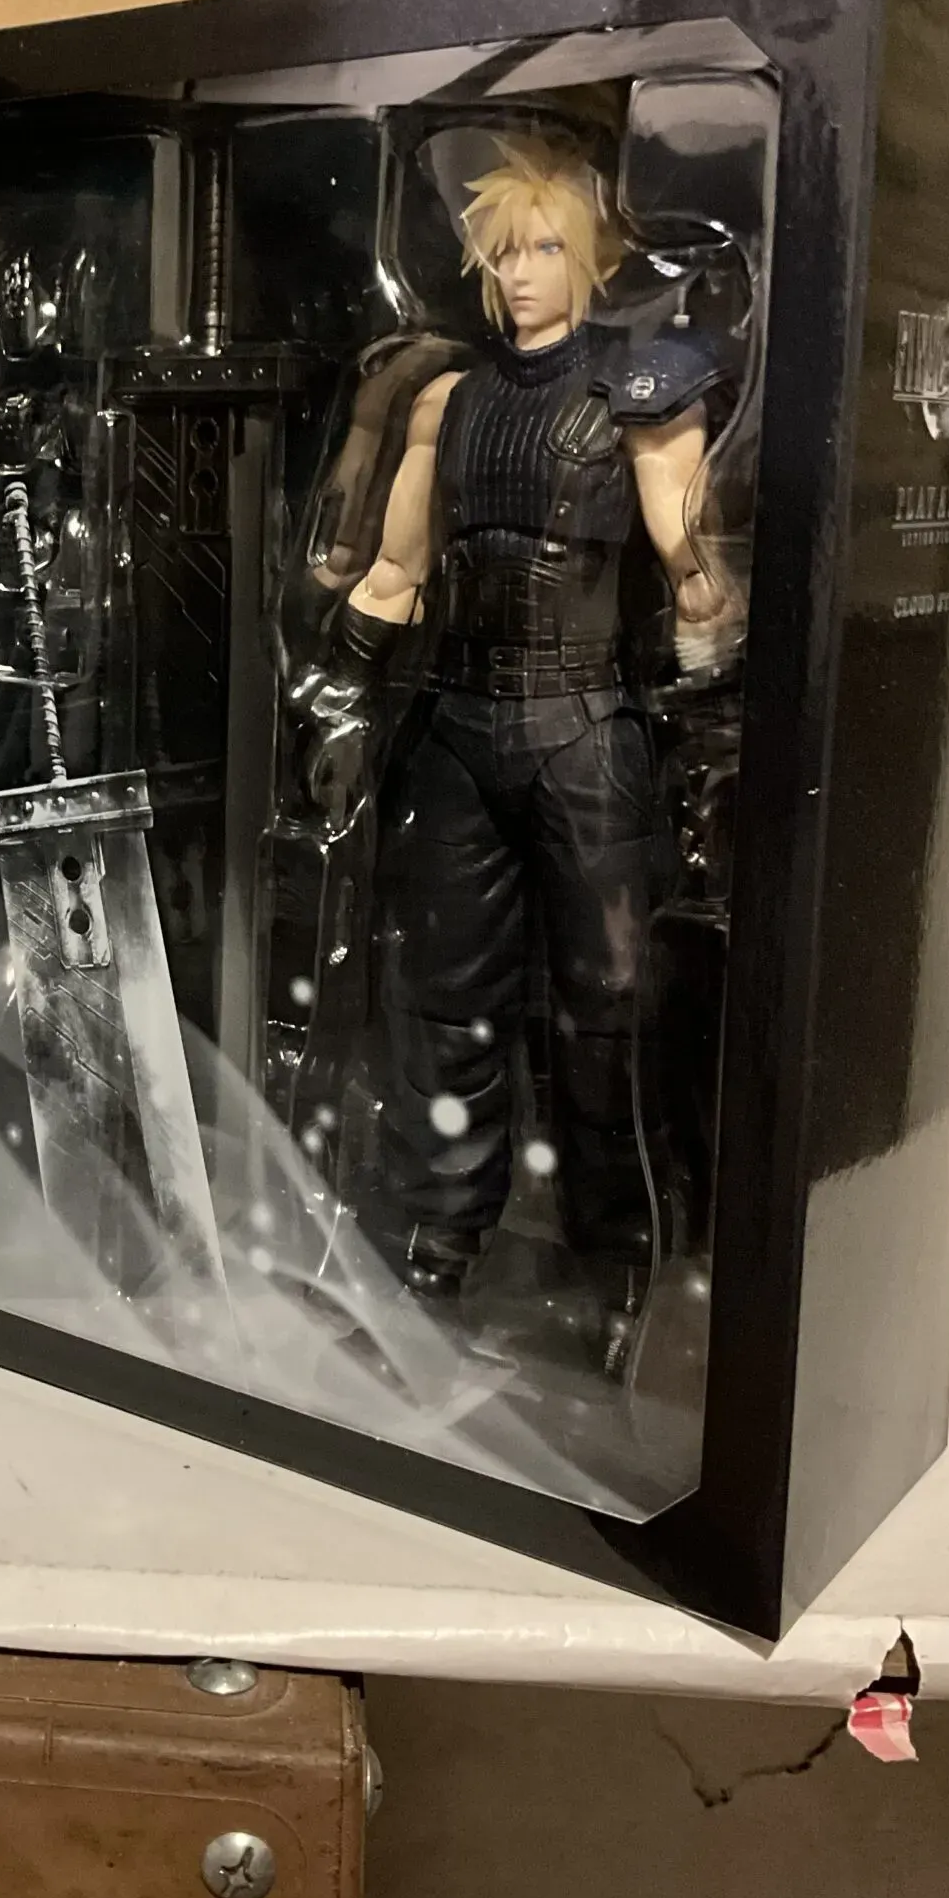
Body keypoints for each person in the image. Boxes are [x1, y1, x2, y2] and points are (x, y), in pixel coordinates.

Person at [300, 132, 728, 1315]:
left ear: (589, 258)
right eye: (505, 251)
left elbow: (690, 561)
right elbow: (396, 569)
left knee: (610, 1008)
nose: (523, 271)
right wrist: (336, 693)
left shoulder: (643, 391)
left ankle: (619, 1242)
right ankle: (441, 1228)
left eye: (545, 247)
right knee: (444, 998)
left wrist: (719, 663)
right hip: (458, 727)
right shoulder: (448, 401)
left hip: (588, 726)